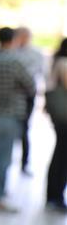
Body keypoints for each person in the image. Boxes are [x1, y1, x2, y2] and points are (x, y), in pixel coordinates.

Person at [0, 27, 36, 213]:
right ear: (13, 40)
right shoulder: (15, 61)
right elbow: (31, 85)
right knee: (3, 157)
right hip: (9, 114)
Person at [14, 27, 44, 175]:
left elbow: (36, 74)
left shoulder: (35, 54)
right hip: (13, 95)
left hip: (27, 95)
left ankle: (24, 163)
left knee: (24, 128)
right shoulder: (12, 52)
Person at [44, 38, 67, 213]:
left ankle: (55, 195)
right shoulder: (64, 63)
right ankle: (55, 196)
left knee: (60, 155)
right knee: (62, 157)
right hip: (64, 118)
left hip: (61, 118)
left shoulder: (57, 61)